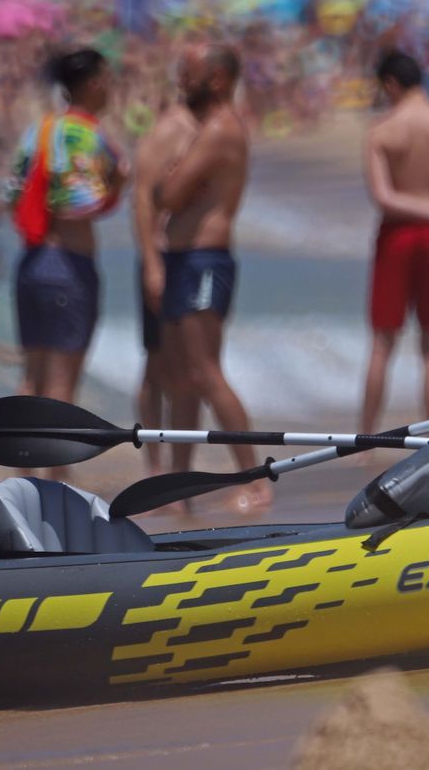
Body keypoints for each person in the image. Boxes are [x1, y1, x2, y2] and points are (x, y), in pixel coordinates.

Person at [156, 42, 268, 512]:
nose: (181, 80)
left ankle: (256, 478)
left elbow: (171, 193)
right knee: (181, 379)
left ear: (218, 79)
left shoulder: (220, 129)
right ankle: (179, 489)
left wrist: (171, 173)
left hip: (205, 258)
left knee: (206, 372)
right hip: (186, 258)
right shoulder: (207, 129)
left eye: (190, 72)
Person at [8, 48, 127, 481]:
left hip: (32, 262)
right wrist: (117, 181)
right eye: (108, 78)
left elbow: (12, 193)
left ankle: (22, 479)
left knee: (32, 380)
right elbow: (79, 203)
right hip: (69, 265)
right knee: (61, 385)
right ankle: (58, 484)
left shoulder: (37, 130)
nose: (112, 87)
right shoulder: (83, 133)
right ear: (93, 83)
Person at [359, 49, 429, 436]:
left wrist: (427, 210)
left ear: (390, 84)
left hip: (398, 235)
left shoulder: (382, 130)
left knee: (382, 344)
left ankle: (366, 438)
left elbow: (383, 196)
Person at [131, 54, 198, 481]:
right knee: (158, 366)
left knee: (187, 367)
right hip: (163, 258)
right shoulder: (171, 129)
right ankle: (156, 468)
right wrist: (153, 262)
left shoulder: (205, 128)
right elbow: (141, 198)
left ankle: (180, 467)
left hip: (190, 258)